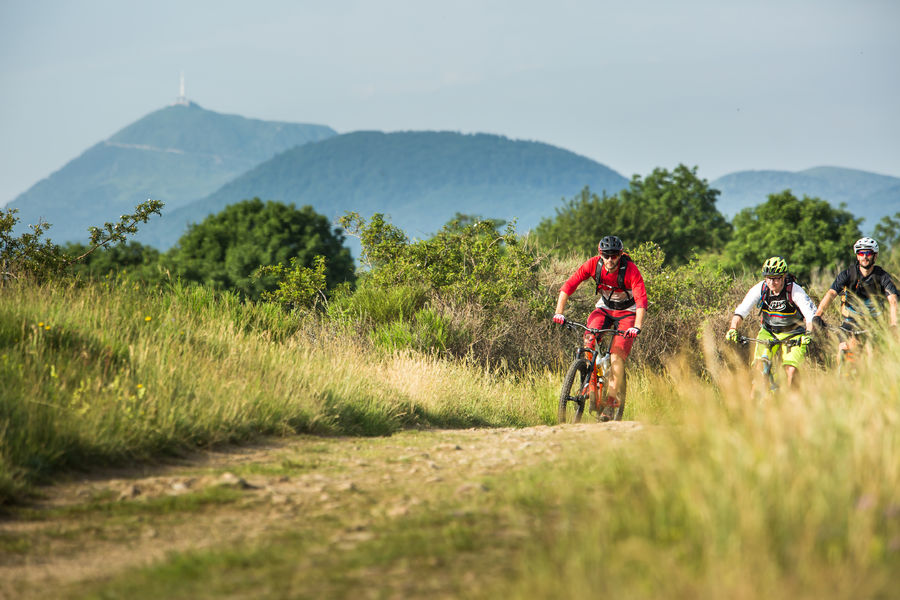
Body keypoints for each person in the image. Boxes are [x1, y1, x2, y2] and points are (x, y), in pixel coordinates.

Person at [552, 235, 647, 419]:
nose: (610, 259)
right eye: (606, 255)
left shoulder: (630, 270)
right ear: (600, 254)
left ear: (620, 254)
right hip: (604, 308)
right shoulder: (593, 265)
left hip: (628, 312)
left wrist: (637, 326)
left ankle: (611, 402)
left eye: (614, 255)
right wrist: (559, 312)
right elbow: (568, 286)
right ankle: (589, 381)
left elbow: (641, 300)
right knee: (589, 338)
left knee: (616, 356)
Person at [725, 256, 817, 389]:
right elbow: (741, 311)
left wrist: (808, 334)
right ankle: (754, 404)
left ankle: (793, 401)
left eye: (776, 278)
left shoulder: (794, 290)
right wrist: (733, 328)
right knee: (759, 368)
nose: (771, 282)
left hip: (794, 334)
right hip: (769, 332)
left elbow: (810, 315)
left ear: (784, 277)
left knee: (791, 370)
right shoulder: (761, 288)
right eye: (768, 278)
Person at [812, 237, 898, 359]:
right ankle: (840, 376)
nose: (864, 257)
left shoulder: (882, 276)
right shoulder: (848, 274)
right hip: (850, 321)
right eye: (861, 253)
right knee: (842, 350)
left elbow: (893, 301)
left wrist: (893, 324)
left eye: (868, 253)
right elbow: (831, 294)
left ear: (875, 256)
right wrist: (818, 315)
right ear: (857, 256)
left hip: (874, 323)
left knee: (871, 354)